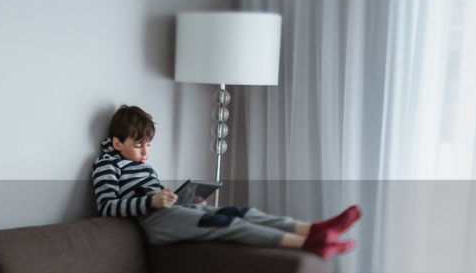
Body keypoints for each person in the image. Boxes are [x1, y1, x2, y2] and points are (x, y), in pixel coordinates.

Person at [92, 105, 361, 255]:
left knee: (241, 212)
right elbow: (106, 207)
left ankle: (313, 229)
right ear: (117, 142)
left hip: (170, 211)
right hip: (154, 224)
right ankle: (310, 244)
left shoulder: (140, 163)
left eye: (148, 145)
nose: (145, 152)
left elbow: (153, 194)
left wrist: (183, 198)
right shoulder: (107, 165)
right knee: (225, 223)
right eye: (139, 145)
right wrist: (152, 200)